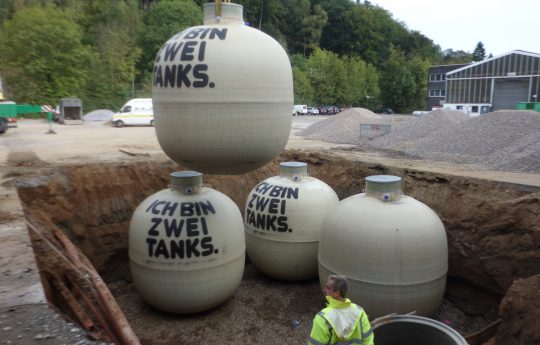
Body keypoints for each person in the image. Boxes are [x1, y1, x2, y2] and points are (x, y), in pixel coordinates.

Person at [308, 274, 374, 345]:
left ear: (336, 293)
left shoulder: (323, 318)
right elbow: (368, 340)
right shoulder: (359, 311)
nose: (324, 290)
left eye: (328, 288)